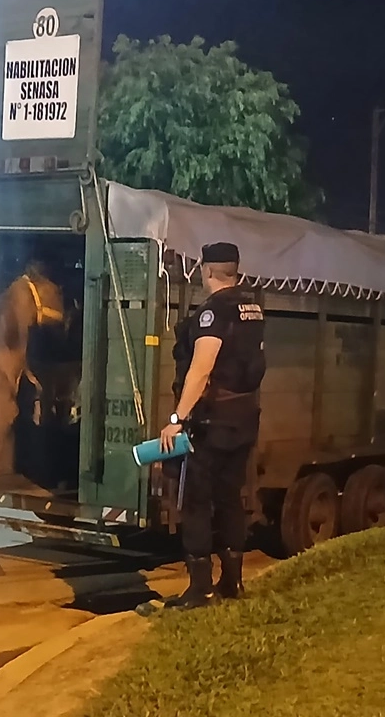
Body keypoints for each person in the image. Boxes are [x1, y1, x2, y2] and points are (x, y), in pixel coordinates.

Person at [159, 242, 266, 610]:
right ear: (235, 269)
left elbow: (201, 370)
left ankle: (200, 590)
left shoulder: (213, 313)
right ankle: (232, 582)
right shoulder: (253, 308)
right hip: (245, 419)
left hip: (213, 422)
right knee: (230, 499)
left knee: (196, 502)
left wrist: (177, 419)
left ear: (207, 271)